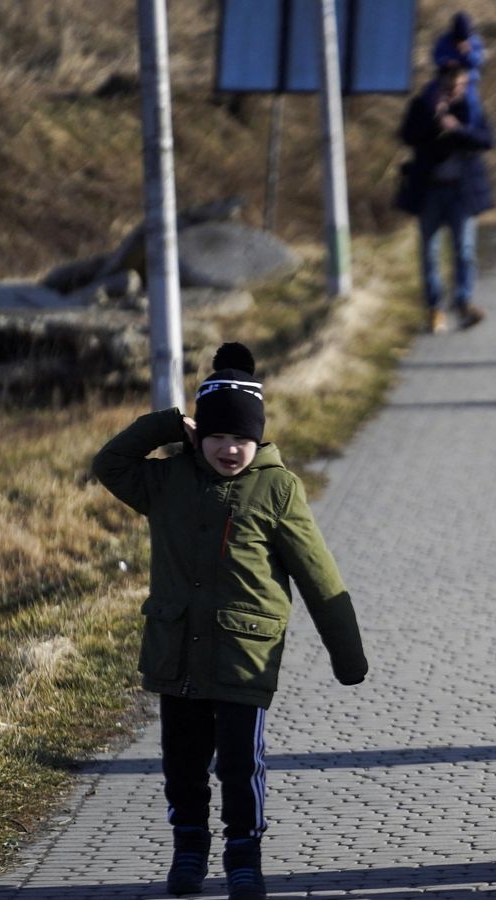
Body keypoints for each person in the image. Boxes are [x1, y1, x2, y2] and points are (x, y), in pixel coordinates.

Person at [91, 343, 368, 900]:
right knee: (182, 764)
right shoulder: (165, 483)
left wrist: (347, 655)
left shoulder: (277, 488)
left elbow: (319, 575)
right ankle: (188, 851)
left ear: (258, 438)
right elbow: (110, 464)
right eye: (217, 436)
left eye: (241, 438)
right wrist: (169, 422)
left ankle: (244, 854)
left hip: (244, 657)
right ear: (199, 437)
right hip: (178, 651)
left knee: (241, 765)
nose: (229, 449)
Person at [397, 61, 495, 334]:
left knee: (464, 250)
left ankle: (464, 304)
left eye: (461, 84)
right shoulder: (422, 105)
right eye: (451, 84)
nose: (455, 89)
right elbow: (406, 136)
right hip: (429, 190)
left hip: (461, 192)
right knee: (429, 252)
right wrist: (434, 120)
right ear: (440, 82)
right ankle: (435, 309)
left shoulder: (472, 108)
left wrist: (457, 128)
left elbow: (487, 140)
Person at [431, 11, 485, 107]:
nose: (460, 41)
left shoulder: (475, 41)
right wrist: (446, 62)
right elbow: (436, 57)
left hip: (468, 81)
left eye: (464, 38)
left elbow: (479, 62)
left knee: (470, 103)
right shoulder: (444, 40)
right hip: (446, 79)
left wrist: (468, 53)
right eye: (458, 38)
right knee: (432, 97)